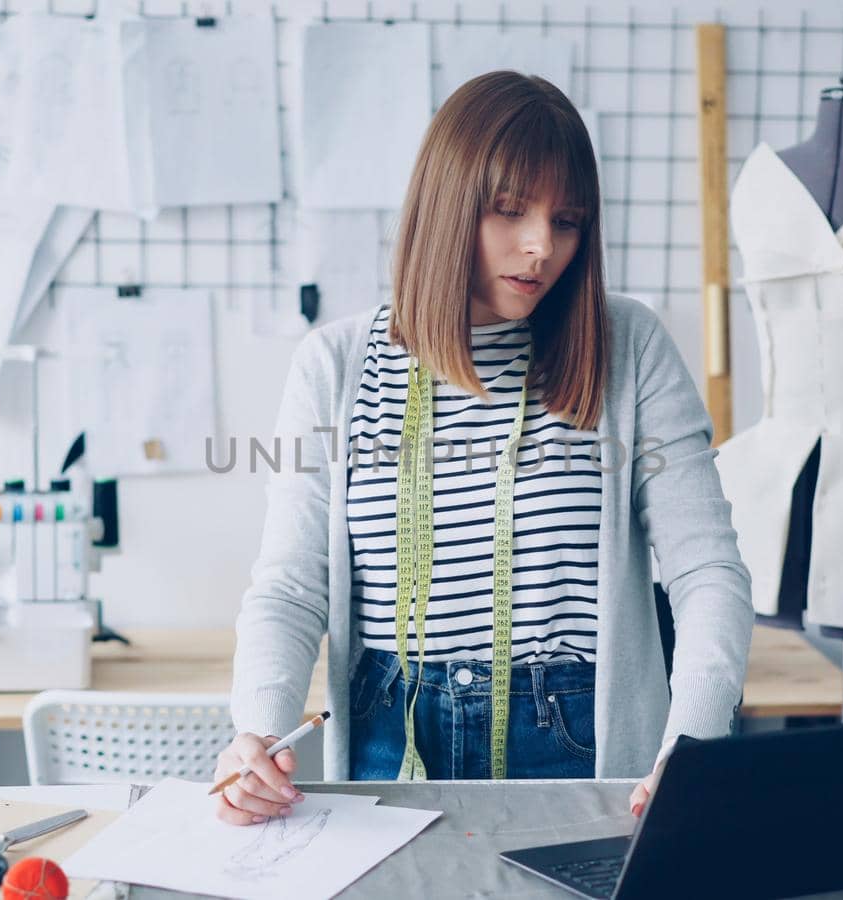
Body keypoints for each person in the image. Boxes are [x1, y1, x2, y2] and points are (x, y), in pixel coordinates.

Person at [214, 71, 752, 825]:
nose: (541, 249)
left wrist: (690, 745)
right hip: (386, 728)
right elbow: (292, 586)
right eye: (509, 212)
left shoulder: (628, 349)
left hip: (576, 738)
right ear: (447, 204)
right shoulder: (334, 366)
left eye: (567, 221)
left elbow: (708, 573)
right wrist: (257, 731)